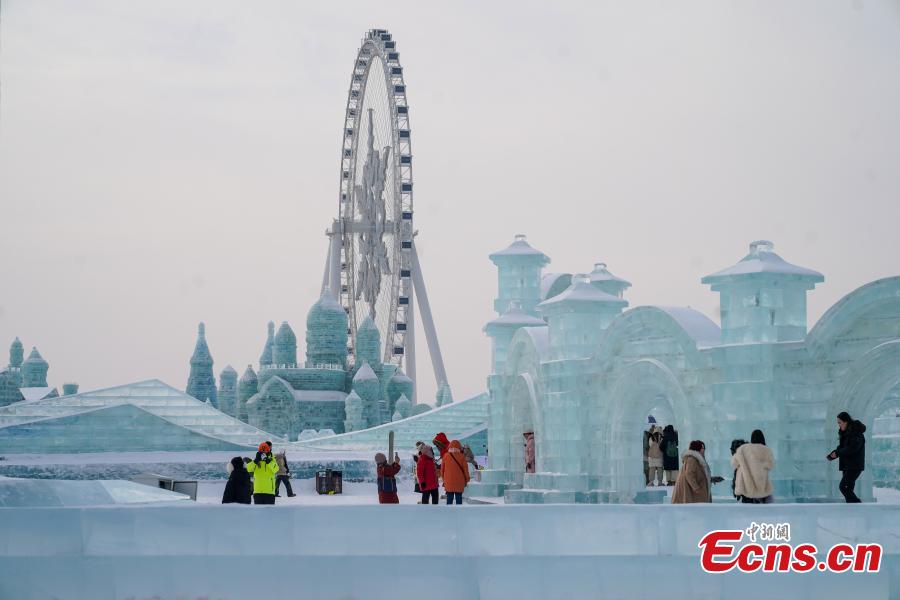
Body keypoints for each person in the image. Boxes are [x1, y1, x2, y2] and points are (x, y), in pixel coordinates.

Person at [828, 411, 867, 503]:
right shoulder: (845, 433)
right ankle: (853, 508)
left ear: (846, 422)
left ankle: (857, 505)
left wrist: (838, 453)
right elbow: (842, 447)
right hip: (847, 465)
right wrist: (834, 454)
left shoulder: (857, 433)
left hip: (854, 465)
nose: (839, 425)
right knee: (848, 488)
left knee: (843, 487)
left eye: (839, 422)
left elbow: (852, 448)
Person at [732, 429, 775, 503]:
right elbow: (770, 465)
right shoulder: (767, 451)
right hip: (761, 489)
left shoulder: (743, 449)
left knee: (746, 513)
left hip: (745, 488)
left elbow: (734, 463)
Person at [440, 439, 470, 505]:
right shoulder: (462, 457)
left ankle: (449, 512)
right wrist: (467, 479)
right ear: (459, 447)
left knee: (449, 499)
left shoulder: (445, 456)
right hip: (459, 482)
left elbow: (442, 470)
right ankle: (459, 512)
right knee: (459, 498)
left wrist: (444, 479)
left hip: (448, 481)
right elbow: (465, 469)